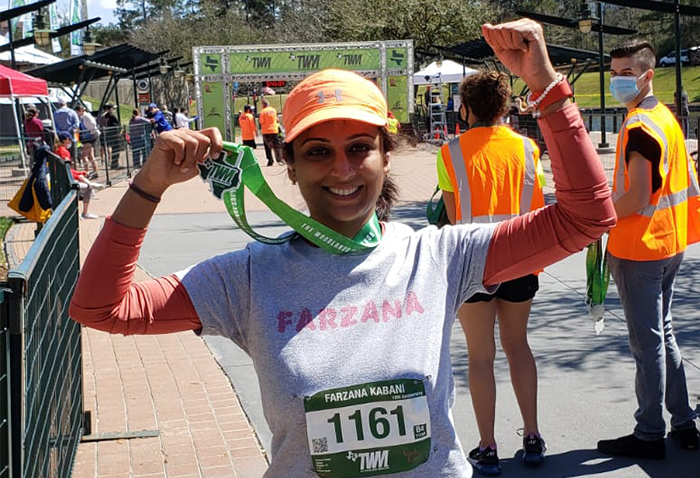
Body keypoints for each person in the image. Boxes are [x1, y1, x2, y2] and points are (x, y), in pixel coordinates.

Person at [68, 19, 616, 477]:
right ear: (288, 162)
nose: (343, 170)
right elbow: (100, 308)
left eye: (360, 147)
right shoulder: (248, 278)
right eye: (317, 151)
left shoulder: (440, 257)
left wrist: (545, 85)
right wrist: (147, 187)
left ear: (387, 153)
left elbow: (587, 215)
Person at [437, 71, 547, 475]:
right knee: (518, 345)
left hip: (473, 262)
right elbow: (537, 206)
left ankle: (487, 446)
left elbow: (452, 217)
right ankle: (532, 435)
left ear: (466, 109)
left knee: (480, 355)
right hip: (520, 257)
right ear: (504, 107)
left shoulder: (450, 153)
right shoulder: (528, 148)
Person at [596, 39, 700, 460]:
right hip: (669, 241)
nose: (618, 80)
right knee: (664, 332)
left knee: (648, 343)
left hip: (640, 246)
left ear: (647, 74)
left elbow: (637, 195)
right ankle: (682, 421)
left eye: (626, 73)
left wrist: (597, 218)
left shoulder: (640, 126)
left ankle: (649, 433)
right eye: (615, 72)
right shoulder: (663, 117)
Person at [55, 132, 106, 219]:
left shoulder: (58, 150)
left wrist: (80, 173)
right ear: (64, 140)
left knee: (82, 180)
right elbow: (66, 170)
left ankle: (91, 185)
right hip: (65, 180)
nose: (70, 142)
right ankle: (84, 212)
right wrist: (79, 175)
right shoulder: (63, 151)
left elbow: (68, 170)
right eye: (69, 140)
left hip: (62, 177)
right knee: (87, 188)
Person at [75, 104, 100, 177]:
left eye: (77, 112)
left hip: (89, 137)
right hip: (88, 136)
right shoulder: (83, 117)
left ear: (81, 110)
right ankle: (95, 171)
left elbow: (92, 125)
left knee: (84, 156)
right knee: (90, 156)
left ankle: (86, 172)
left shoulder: (86, 117)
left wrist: (90, 132)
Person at [259, 98, 284, 166]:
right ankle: (280, 159)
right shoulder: (273, 110)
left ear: (263, 105)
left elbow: (261, 121)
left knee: (268, 147)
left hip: (266, 131)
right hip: (274, 130)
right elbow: (276, 119)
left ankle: (270, 160)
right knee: (277, 145)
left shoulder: (263, 111)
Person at [103, 104, 122, 169]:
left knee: (114, 150)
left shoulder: (106, 116)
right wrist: (119, 130)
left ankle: (114, 164)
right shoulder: (111, 116)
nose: (114, 110)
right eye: (112, 108)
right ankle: (115, 164)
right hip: (114, 135)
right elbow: (116, 125)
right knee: (116, 150)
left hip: (110, 134)